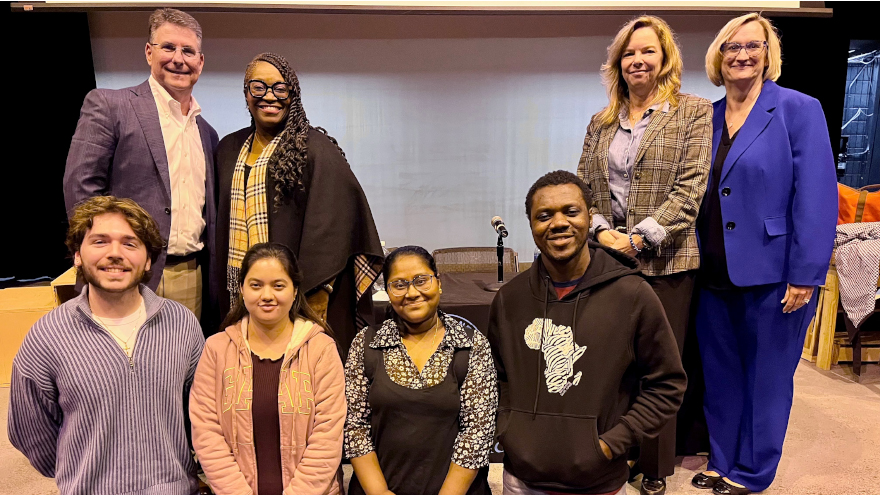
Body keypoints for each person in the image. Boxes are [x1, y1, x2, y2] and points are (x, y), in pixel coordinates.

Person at [691, 14, 838, 495]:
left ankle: (753, 474)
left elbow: (817, 198)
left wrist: (806, 274)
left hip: (776, 273)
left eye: (753, 45)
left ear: (768, 54)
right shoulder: (705, 116)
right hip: (711, 270)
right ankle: (722, 459)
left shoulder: (798, 109)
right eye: (731, 46)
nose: (742, 54)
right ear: (718, 55)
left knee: (767, 379)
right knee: (721, 374)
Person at [576, 16, 713, 494]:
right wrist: (602, 232)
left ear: (665, 59)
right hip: (607, 261)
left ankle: (654, 468)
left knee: (661, 368)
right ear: (618, 62)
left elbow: (691, 189)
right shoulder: (601, 120)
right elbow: (583, 190)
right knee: (613, 362)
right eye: (629, 53)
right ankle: (615, 452)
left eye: (648, 51)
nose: (638, 60)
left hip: (667, 261)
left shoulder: (693, 112)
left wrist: (635, 239)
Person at [488, 170, 687, 495]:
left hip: (599, 482)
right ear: (531, 225)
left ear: (589, 216)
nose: (559, 223)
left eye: (571, 211)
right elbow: (494, 378)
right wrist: (509, 430)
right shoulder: (509, 300)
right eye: (544, 215)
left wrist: (611, 444)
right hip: (520, 481)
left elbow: (667, 384)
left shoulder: (633, 295)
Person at [8, 196, 205, 495]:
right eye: (100, 241)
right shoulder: (46, 337)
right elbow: (30, 432)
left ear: (148, 259)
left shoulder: (183, 325)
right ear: (77, 255)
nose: (115, 254)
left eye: (130, 243)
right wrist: (80, 470)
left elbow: (201, 415)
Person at [215, 52, 383, 352]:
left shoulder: (314, 148)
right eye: (259, 87)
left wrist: (313, 294)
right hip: (240, 293)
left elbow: (337, 222)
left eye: (280, 88)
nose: (270, 96)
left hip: (301, 297)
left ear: (292, 95)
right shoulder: (228, 149)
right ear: (246, 93)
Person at [63, 8, 219, 324]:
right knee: (116, 368)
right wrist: (103, 256)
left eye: (188, 51)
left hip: (192, 275)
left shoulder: (207, 133)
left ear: (200, 63)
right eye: (168, 47)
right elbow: (80, 187)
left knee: (181, 367)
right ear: (149, 52)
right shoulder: (110, 105)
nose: (179, 58)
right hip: (125, 272)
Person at [190, 242, 346, 495]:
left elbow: (328, 435)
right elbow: (206, 431)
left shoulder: (320, 349)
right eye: (256, 285)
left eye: (278, 285)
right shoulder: (216, 348)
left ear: (295, 291)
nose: (266, 295)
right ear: (241, 288)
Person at [344, 246, 497, 495]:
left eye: (421, 280)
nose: (412, 293)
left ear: (438, 283)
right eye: (399, 284)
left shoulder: (469, 344)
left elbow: (477, 433)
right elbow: (355, 426)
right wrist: (379, 492)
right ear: (388, 290)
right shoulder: (366, 343)